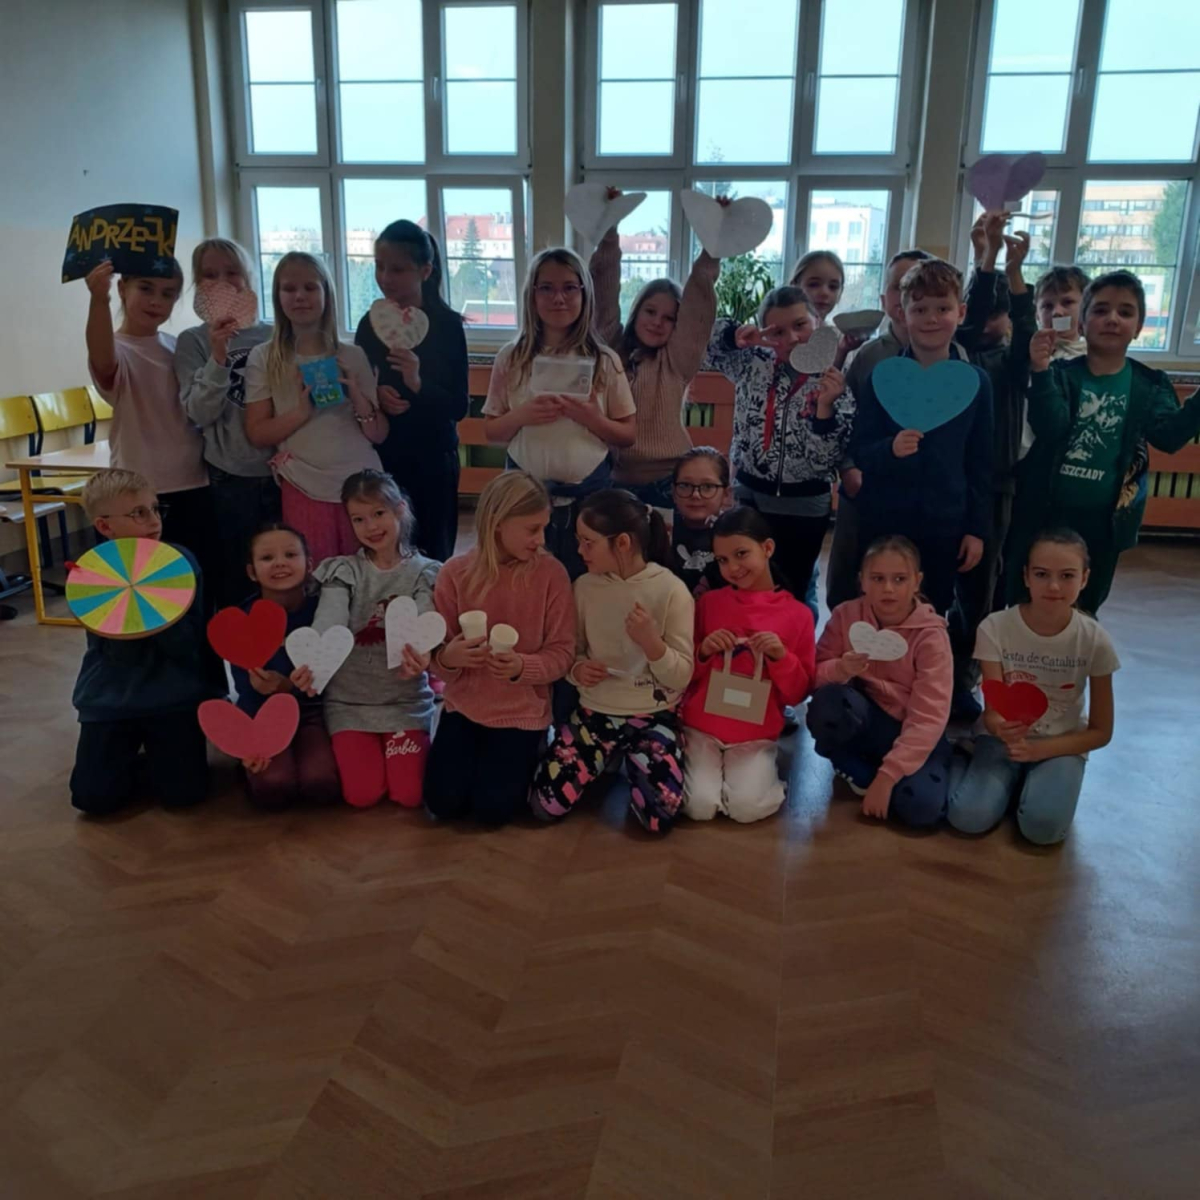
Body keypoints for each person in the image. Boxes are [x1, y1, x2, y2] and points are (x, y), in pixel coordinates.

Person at [1008, 270, 1200, 612]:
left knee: (1086, 604)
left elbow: (1169, 437)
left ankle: (1079, 647)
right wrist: (1040, 370)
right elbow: (1050, 427)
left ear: (1138, 327)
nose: (1112, 319)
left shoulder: (1150, 384)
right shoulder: (1061, 373)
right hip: (1044, 513)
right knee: (1027, 599)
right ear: (1082, 323)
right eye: (1100, 310)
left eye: (1125, 312)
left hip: (1106, 521)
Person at [530, 489, 693, 834]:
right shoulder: (584, 587)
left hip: (654, 714)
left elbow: (681, 676)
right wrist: (578, 670)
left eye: (588, 543)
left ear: (622, 543)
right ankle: (611, 757)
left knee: (659, 817)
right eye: (579, 541)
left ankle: (627, 760)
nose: (579, 551)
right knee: (544, 805)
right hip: (595, 713)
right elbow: (571, 650)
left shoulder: (672, 590)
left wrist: (652, 644)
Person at [850, 258, 993, 644]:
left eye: (943, 308)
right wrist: (890, 449)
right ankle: (876, 674)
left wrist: (976, 529)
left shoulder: (976, 383)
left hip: (945, 523)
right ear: (902, 312)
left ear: (961, 313)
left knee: (932, 606)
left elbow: (982, 462)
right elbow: (860, 449)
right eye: (920, 309)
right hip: (886, 518)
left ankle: (927, 673)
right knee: (880, 604)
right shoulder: (883, 377)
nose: (931, 318)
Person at [947, 529, 1117, 844]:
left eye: (1067, 576)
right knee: (967, 818)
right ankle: (962, 758)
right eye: (1041, 574)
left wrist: (1040, 750)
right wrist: (1001, 729)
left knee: (1043, 829)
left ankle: (1025, 787)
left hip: (1062, 745)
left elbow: (1101, 731)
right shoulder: (995, 628)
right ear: (1026, 576)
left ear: (1084, 579)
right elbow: (993, 712)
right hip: (1001, 741)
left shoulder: (1095, 641)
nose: (1053, 586)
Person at [425, 472, 575, 824]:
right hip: (464, 707)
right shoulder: (454, 573)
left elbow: (563, 653)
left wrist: (522, 667)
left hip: (523, 713)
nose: (541, 539)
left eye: (544, 528)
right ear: (497, 523)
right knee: (442, 803)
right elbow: (436, 656)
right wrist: (449, 658)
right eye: (532, 529)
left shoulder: (552, 575)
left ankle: (534, 750)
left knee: (492, 810)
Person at [483, 247, 636, 578]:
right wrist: (523, 415)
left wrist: (592, 419)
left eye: (569, 287)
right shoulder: (511, 358)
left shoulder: (604, 360)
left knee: (586, 579)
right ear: (532, 295)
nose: (558, 298)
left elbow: (628, 434)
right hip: (524, 495)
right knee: (525, 576)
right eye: (547, 288)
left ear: (584, 294)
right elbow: (492, 432)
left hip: (589, 496)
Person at [68, 469, 208, 816]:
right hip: (111, 697)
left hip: (174, 694)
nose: (153, 520)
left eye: (155, 509)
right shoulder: (93, 574)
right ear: (105, 526)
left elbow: (189, 647)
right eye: (138, 513)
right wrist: (132, 603)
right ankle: (129, 758)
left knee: (184, 794)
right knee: (93, 799)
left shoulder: (181, 563)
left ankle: (157, 759)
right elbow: (119, 655)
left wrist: (159, 603)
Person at [704, 285, 852, 605]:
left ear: (817, 321)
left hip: (805, 507)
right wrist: (736, 335)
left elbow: (825, 461)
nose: (792, 339)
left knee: (791, 593)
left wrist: (825, 408)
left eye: (800, 325)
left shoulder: (834, 378)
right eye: (777, 332)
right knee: (743, 586)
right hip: (750, 498)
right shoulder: (752, 361)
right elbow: (705, 341)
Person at [300, 470, 440, 807]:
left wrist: (422, 653)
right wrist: (314, 660)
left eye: (379, 513)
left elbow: (424, 623)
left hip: (405, 703)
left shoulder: (425, 572)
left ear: (400, 510)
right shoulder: (343, 570)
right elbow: (329, 619)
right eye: (359, 519)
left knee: (409, 795)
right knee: (362, 795)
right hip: (350, 704)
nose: (371, 526)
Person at [243, 252, 388, 563]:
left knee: (369, 572)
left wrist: (357, 397)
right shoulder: (263, 357)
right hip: (304, 484)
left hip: (361, 485)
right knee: (316, 572)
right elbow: (257, 433)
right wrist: (300, 412)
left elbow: (378, 435)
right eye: (289, 288)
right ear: (277, 295)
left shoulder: (352, 355)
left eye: (310, 287)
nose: (300, 296)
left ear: (326, 293)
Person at [806, 536, 953, 828]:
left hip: (911, 727)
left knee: (921, 808)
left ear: (917, 582)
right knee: (828, 705)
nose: (888, 588)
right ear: (862, 581)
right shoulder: (846, 616)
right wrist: (840, 668)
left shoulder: (931, 637)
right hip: (866, 719)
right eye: (877, 578)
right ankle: (855, 763)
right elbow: (814, 677)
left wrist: (887, 777)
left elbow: (929, 715)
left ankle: (928, 765)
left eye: (899, 579)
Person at [679, 507, 815, 823]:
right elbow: (683, 673)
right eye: (722, 560)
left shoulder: (798, 615)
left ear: (767, 548)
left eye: (741, 554)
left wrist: (781, 658)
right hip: (701, 727)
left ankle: (760, 776)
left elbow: (798, 693)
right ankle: (720, 780)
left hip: (755, 734)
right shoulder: (709, 604)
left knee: (747, 808)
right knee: (698, 806)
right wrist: (704, 651)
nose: (733, 568)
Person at [951, 213, 1038, 697]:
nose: (989, 321)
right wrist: (985, 258)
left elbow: (1025, 328)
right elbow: (971, 314)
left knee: (981, 585)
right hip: (951, 481)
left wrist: (1013, 271)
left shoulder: (1013, 362)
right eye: (983, 313)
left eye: (997, 314)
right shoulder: (958, 354)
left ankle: (966, 674)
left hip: (997, 486)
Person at [84, 259, 213, 568]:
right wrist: (99, 300)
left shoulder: (178, 346)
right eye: (146, 289)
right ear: (122, 288)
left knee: (193, 577)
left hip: (195, 482)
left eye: (168, 294)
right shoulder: (116, 348)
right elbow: (103, 360)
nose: (156, 301)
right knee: (146, 581)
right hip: (138, 494)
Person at [826, 248, 934, 610]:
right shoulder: (869, 356)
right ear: (884, 298)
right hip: (866, 486)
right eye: (898, 286)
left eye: (917, 286)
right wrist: (847, 467)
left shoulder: (952, 356)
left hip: (922, 497)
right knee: (850, 577)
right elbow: (845, 417)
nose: (907, 296)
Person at [354, 220, 468, 563]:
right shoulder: (369, 325)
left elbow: (458, 406)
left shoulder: (447, 326)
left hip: (434, 461)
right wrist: (377, 395)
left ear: (425, 270)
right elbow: (359, 386)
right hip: (386, 457)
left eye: (398, 269)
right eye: (379, 266)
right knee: (388, 550)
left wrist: (418, 383)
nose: (385, 277)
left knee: (433, 553)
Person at [590, 207, 719, 509]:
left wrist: (712, 250)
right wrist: (609, 237)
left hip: (668, 479)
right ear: (637, 312)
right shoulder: (612, 351)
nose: (657, 322)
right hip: (615, 478)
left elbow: (698, 309)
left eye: (669, 318)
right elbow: (603, 300)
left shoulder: (676, 361)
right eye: (650, 312)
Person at [175, 238, 278, 608]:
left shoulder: (274, 334)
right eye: (209, 274)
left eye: (232, 272)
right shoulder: (193, 342)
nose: (222, 282)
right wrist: (218, 356)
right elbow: (198, 412)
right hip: (229, 474)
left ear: (249, 277)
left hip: (283, 471)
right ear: (197, 284)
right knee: (237, 573)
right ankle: (242, 640)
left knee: (284, 567)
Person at [229, 523, 339, 809]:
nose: (280, 563)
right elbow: (244, 689)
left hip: (312, 713)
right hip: (262, 713)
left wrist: (289, 687)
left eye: (290, 555)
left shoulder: (325, 612)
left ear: (309, 564)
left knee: (320, 781)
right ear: (252, 571)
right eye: (267, 558)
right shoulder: (241, 619)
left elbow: (332, 675)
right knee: (273, 785)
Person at [668, 446, 732, 594]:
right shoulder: (662, 529)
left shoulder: (735, 533)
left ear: (726, 494)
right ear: (673, 492)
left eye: (707, 486)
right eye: (685, 485)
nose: (695, 495)